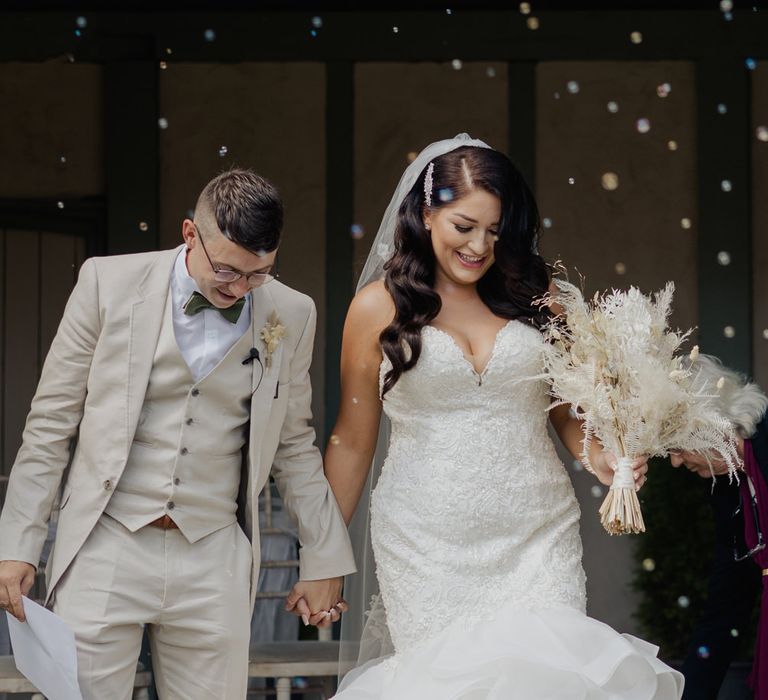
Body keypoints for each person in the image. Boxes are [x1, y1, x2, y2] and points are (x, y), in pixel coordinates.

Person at [324, 134, 684, 698]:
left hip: (537, 533)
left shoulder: (540, 298)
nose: (479, 246)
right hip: (425, 538)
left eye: (494, 230)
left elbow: (568, 414)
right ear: (425, 213)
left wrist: (604, 459)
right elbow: (350, 440)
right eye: (463, 226)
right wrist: (323, 555)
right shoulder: (377, 307)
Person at [0, 168, 355, 699]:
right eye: (227, 271)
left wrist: (323, 555)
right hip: (106, 543)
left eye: (258, 274)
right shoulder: (107, 282)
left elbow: (293, 445)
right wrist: (17, 541)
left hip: (213, 553)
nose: (239, 289)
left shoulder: (292, 313)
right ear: (190, 234)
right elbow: (51, 421)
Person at [669, 355, 767, 700]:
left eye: (679, 448)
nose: (676, 461)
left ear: (708, 426)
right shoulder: (726, 485)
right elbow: (727, 604)